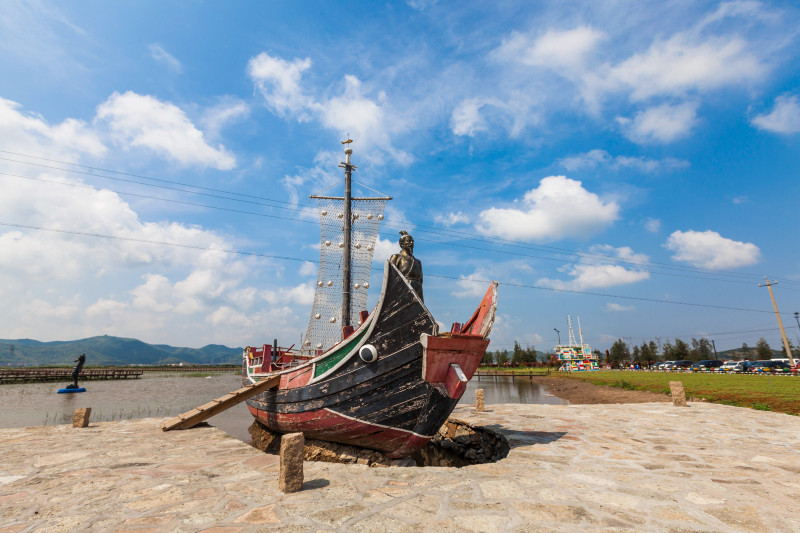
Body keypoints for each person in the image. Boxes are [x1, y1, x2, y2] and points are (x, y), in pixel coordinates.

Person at [390, 230, 423, 301]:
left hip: (417, 289)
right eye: (409, 241)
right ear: (402, 244)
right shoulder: (396, 257)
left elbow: (420, 280)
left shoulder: (418, 262)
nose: (411, 243)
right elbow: (391, 277)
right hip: (402, 288)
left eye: (412, 241)